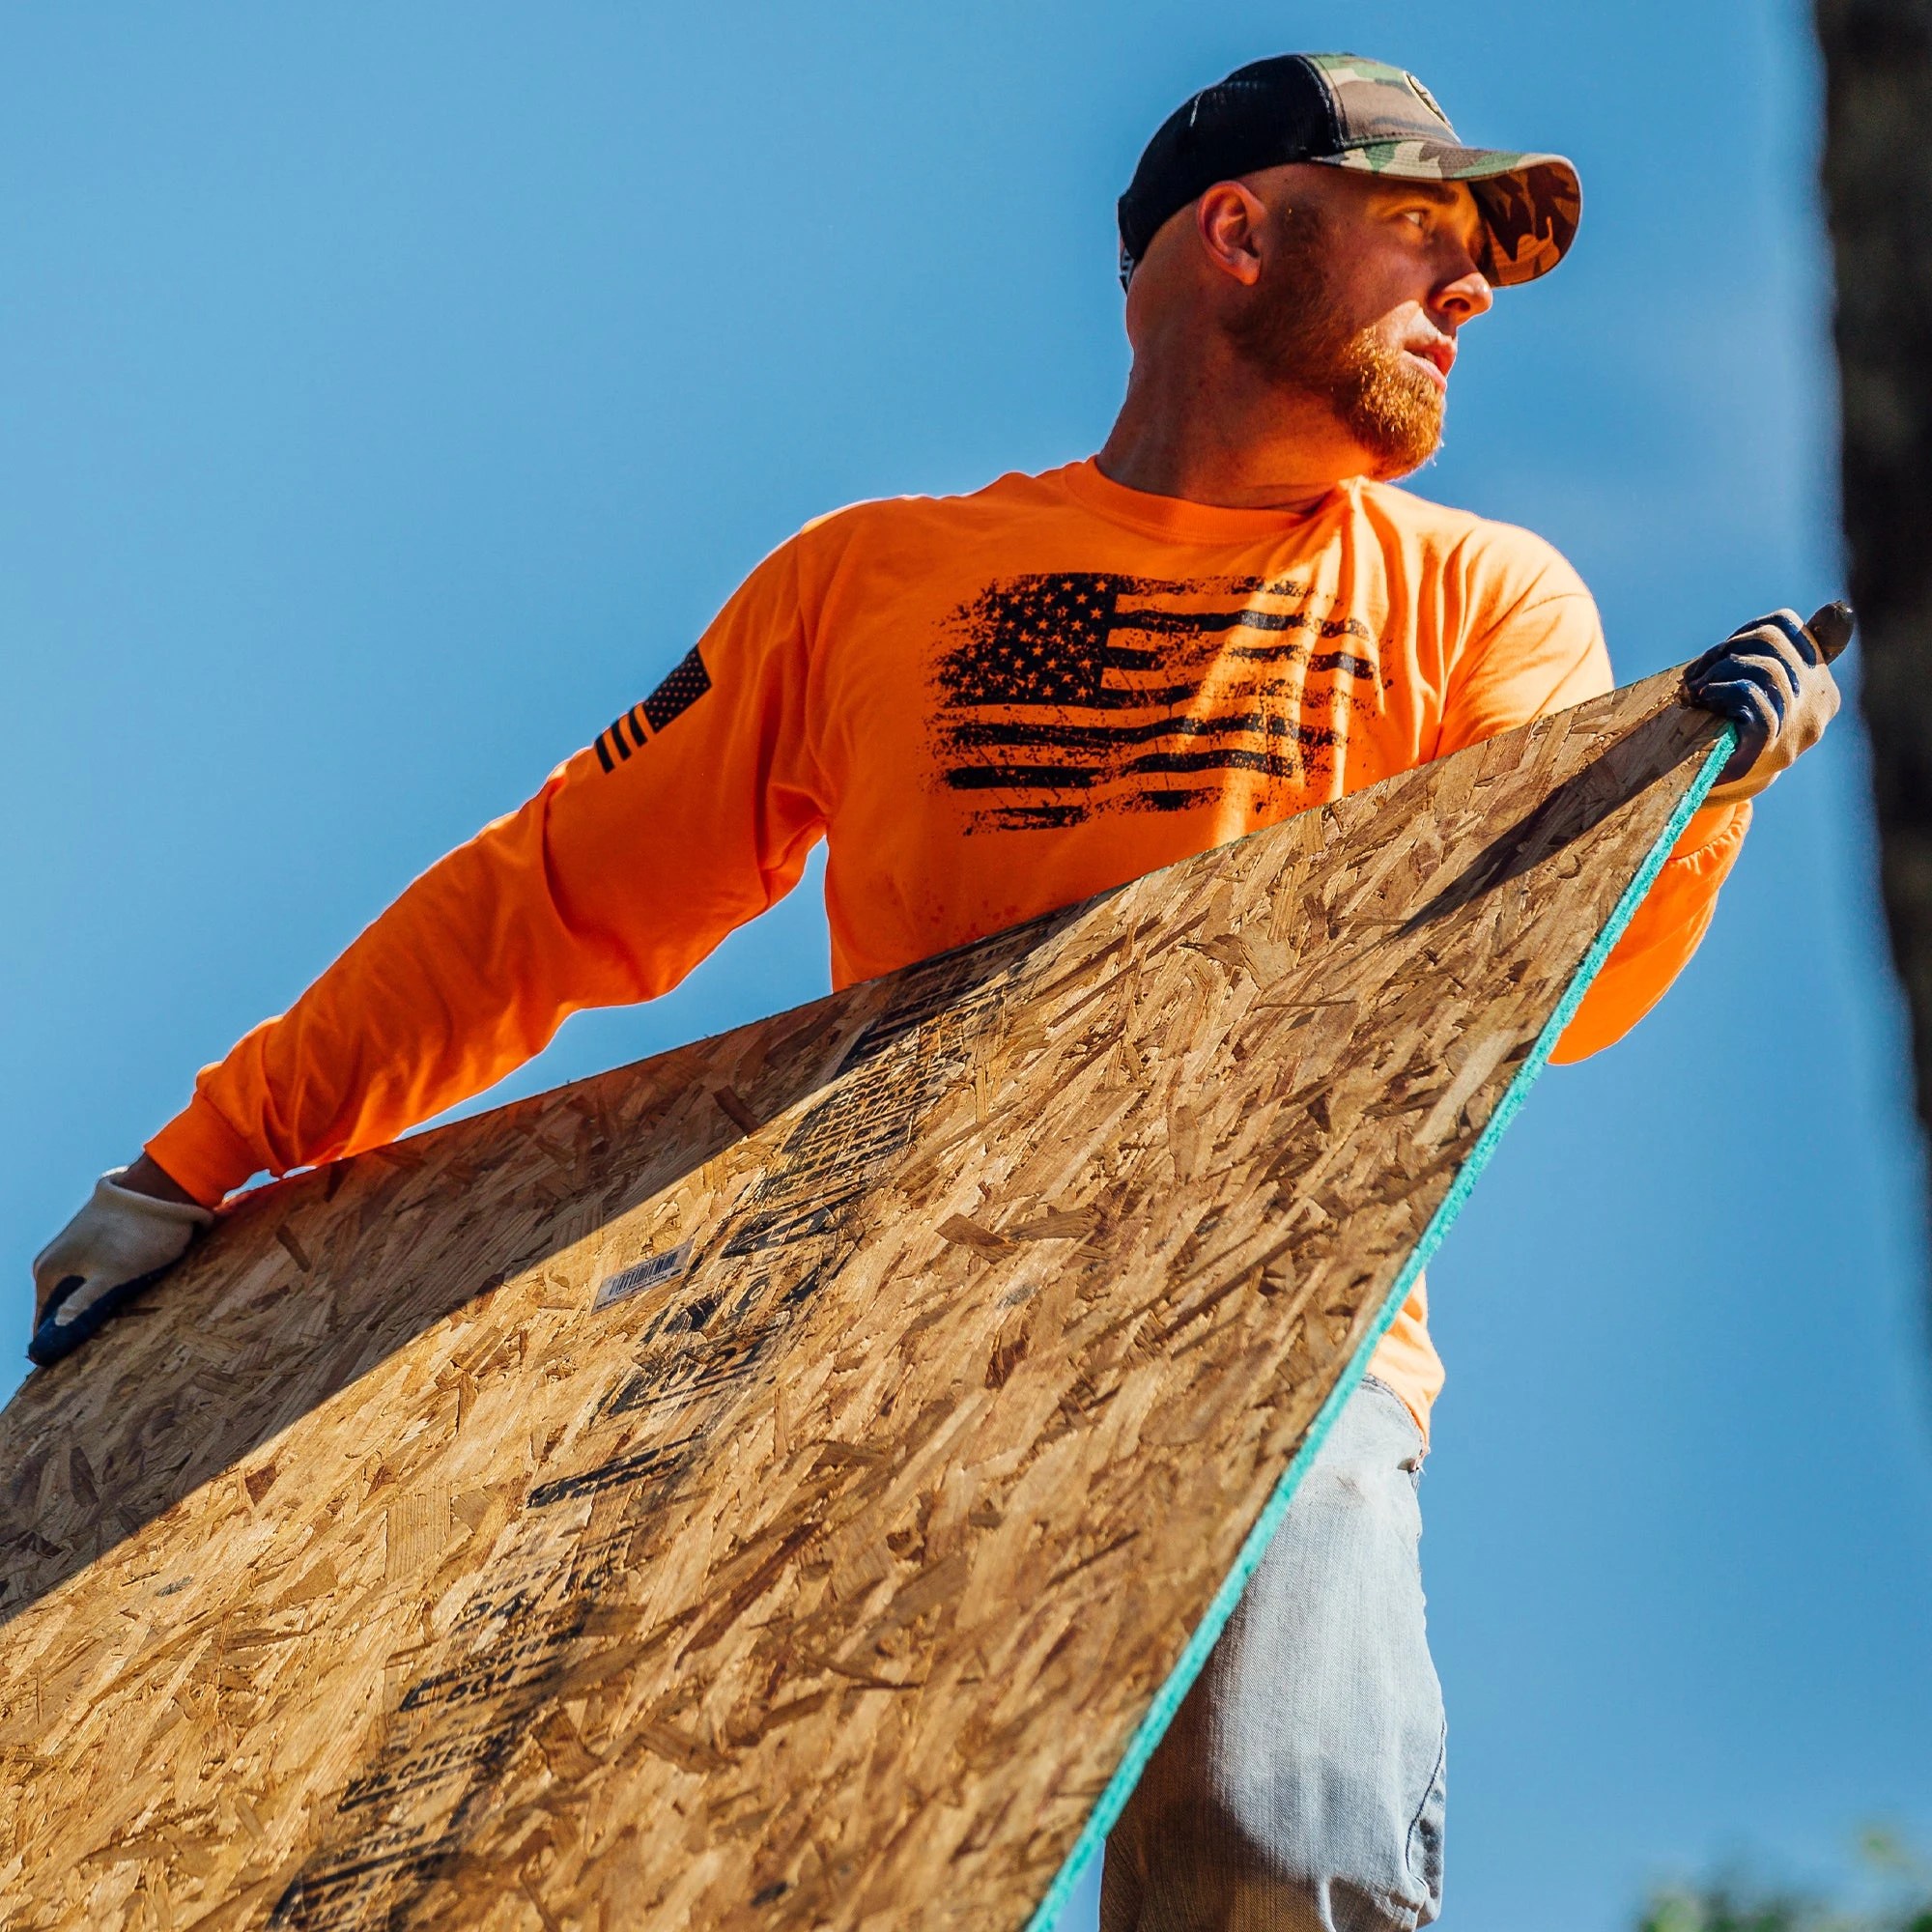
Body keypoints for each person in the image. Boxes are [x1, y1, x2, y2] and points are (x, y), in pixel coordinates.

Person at [30, 52, 1841, 1932]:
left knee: (1275, 1852)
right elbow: (542, 900)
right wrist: (198, 1164)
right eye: (1420, 235)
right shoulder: (872, 587)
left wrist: (1685, 811)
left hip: (1284, 1352)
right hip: (864, 1360)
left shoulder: (1481, 595)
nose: (1468, 293)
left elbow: (1544, 981)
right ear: (1239, 231)